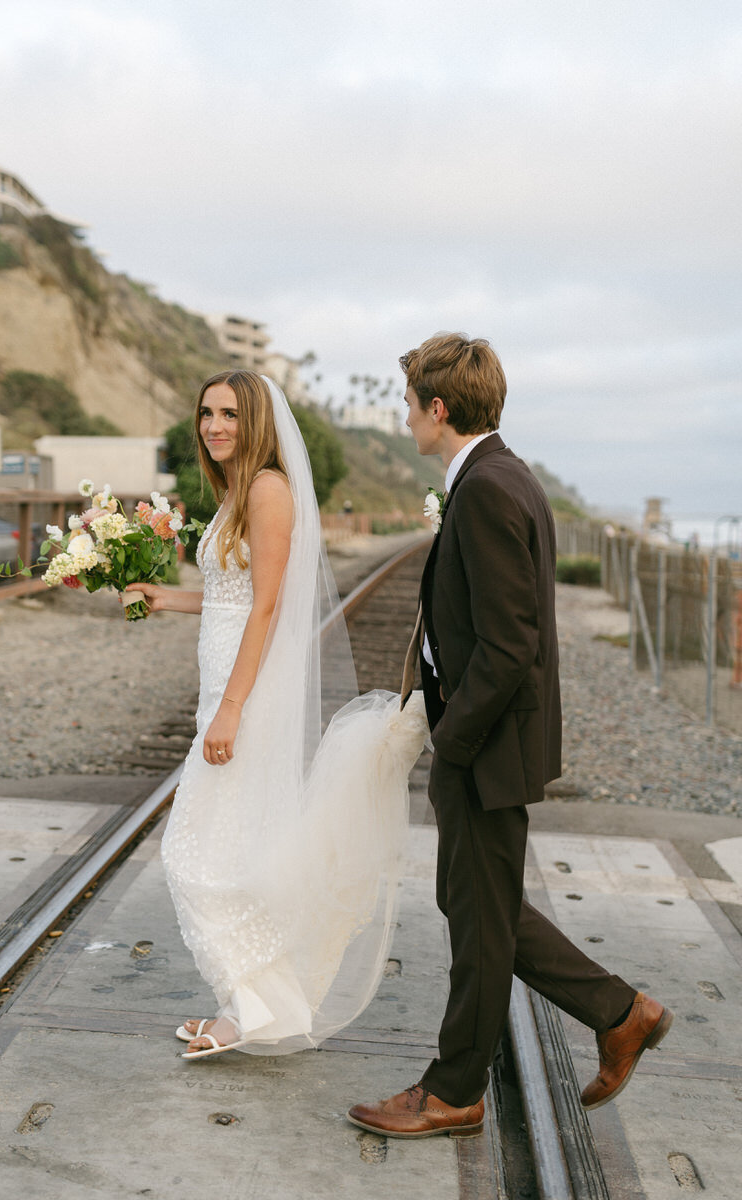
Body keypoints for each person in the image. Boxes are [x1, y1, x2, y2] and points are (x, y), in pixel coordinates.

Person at [347, 333, 673, 1139]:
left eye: (411, 405)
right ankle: (620, 1012)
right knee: (477, 906)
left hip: (483, 744)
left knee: (478, 916)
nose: (408, 420)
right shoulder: (497, 475)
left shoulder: (488, 487)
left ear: (439, 407)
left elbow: (509, 640)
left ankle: (457, 1090)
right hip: (484, 739)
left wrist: (452, 741)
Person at [128, 370, 427, 1059]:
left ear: (256, 419)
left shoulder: (266, 489)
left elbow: (267, 607)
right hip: (227, 686)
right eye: (205, 412)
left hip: (249, 692)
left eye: (229, 413)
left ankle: (255, 1006)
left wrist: (231, 710)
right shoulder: (239, 489)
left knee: (198, 850)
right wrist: (166, 598)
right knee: (231, 844)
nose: (213, 425)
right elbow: (235, 596)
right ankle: (256, 1006)